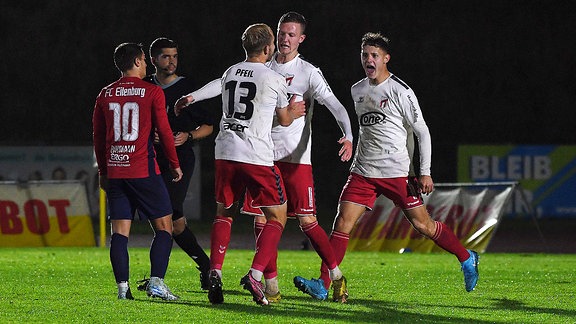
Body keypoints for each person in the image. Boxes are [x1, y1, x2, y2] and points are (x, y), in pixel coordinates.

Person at [176, 12, 353, 303]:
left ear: (301, 39)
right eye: (281, 33)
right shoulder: (267, 70)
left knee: (307, 222)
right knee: (265, 221)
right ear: (272, 41)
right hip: (262, 155)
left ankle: (335, 274)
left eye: (291, 34)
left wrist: (347, 134)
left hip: (294, 158)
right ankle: (269, 283)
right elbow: (224, 86)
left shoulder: (308, 72)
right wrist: (195, 96)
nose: (285, 38)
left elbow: (334, 104)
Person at [296, 32, 480, 303]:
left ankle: (466, 258)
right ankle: (324, 284)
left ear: (385, 59)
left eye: (374, 56)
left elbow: (421, 131)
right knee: (342, 222)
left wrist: (423, 171)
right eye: (365, 55)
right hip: (363, 172)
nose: (368, 60)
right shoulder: (357, 90)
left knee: (424, 225)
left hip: (396, 173)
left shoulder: (400, 90)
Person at [178, 23, 306, 306]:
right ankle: (255, 275)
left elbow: (218, 85)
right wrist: (295, 113)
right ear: (268, 48)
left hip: (225, 151)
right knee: (277, 217)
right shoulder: (272, 78)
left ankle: (215, 270)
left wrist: (192, 97)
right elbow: (284, 119)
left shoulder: (231, 71)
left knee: (224, 212)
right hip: (255, 155)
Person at [93, 42, 183, 301]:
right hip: (143, 169)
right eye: (144, 60)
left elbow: (99, 137)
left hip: (116, 172)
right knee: (165, 227)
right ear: (135, 62)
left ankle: (123, 290)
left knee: (120, 232)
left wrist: (103, 171)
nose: (146, 65)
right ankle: (156, 282)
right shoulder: (152, 92)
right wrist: (174, 163)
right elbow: (165, 132)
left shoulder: (105, 94)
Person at [139, 37, 213, 291]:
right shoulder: (145, 86)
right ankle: (207, 267)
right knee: (176, 222)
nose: (171, 61)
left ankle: (157, 278)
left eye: (174, 56)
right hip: (151, 158)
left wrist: (188, 136)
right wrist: (150, 134)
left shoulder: (189, 87)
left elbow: (208, 126)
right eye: (165, 57)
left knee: (165, 217)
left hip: (180, 160)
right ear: (153, 60)